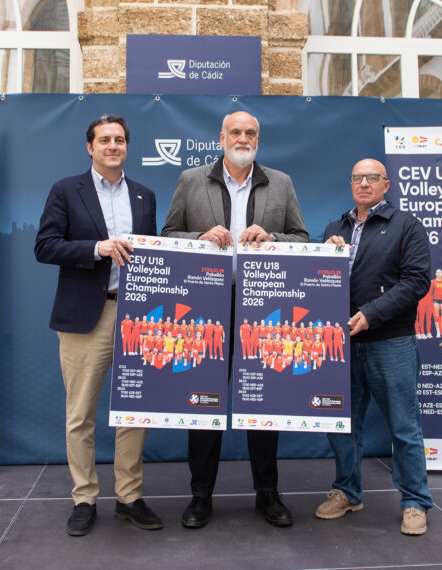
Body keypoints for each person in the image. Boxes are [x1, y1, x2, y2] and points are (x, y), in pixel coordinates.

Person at [162, 110, 309, 528]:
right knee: (204, 400)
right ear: (221, 137)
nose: (243, 138)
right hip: (206, 307)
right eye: (236, 132)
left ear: (257, 139)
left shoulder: (280, 182)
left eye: (251, 133)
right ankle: (200, 496)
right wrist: (200, 237)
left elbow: (302, 237)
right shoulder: (191, 180)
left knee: (263, 402)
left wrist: (272, 237)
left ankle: (268, 494)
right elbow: (168, 235)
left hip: (262, 308)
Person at [34, 114, 160, 537]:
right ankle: (84, 498)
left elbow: (154, 253)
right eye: (104, 140)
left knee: (134, 412)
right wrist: (97, 248)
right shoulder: (66, 190)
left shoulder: (144, 196)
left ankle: (129, 497)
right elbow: (45, 246)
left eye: (119, 140)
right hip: (86, 316)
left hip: (136, 316)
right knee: (80, 414)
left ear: (127, 146)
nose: (112, 146)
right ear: (90, 147)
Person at [320, 158, 433, 536]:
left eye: (372, 177)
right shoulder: (335, 228)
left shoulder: (407, 226)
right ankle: (347, 492)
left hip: (390, 340)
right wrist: (325, 253)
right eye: (358, 177)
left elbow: (417, 281)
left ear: (386, 184)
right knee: (342, 425)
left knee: (404, 426)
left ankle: (415, 501)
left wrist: (372, 314)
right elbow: (319, 282)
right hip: (343, 343)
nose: (364, 183)